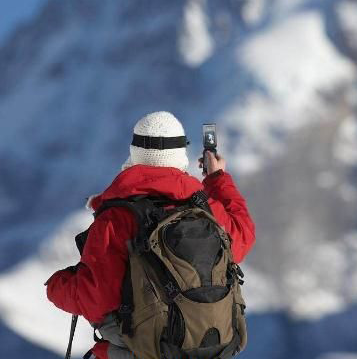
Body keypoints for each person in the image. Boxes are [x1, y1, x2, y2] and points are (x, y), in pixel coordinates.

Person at [45, 111, 256, 359]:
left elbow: (97, 299)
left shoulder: (116, 218)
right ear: (181, 155)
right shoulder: (203, 207)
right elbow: (243, 235)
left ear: (134, 153)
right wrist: (217, 178)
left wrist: (57, 286)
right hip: (211, 347)